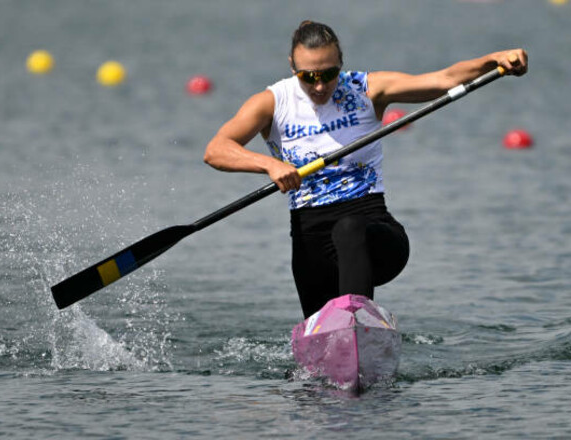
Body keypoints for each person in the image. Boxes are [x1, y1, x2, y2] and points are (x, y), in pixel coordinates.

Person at [204, 20, 528, 318]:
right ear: (292, 66)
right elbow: (216, 150)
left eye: (329, 74)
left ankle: (358, 322)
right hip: (310, 242)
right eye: (308, 76)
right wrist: (269, 164)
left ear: (341, 64)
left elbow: (444, 79)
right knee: (321, 360)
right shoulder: (272, 103)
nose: (319, 86)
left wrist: (493, 60)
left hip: (374, 235)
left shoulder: (367, 89)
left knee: (349, 228)